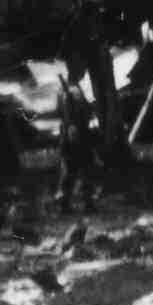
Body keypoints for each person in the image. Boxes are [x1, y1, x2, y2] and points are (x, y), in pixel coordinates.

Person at [53, 68, 102, 217]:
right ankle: (86, 202)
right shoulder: (73, 92)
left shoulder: (62, 91)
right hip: (77, 134)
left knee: (70, 170)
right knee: (84, 168)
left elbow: (59, 112)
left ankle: (66, 203)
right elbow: (73, 115)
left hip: (69, 134)